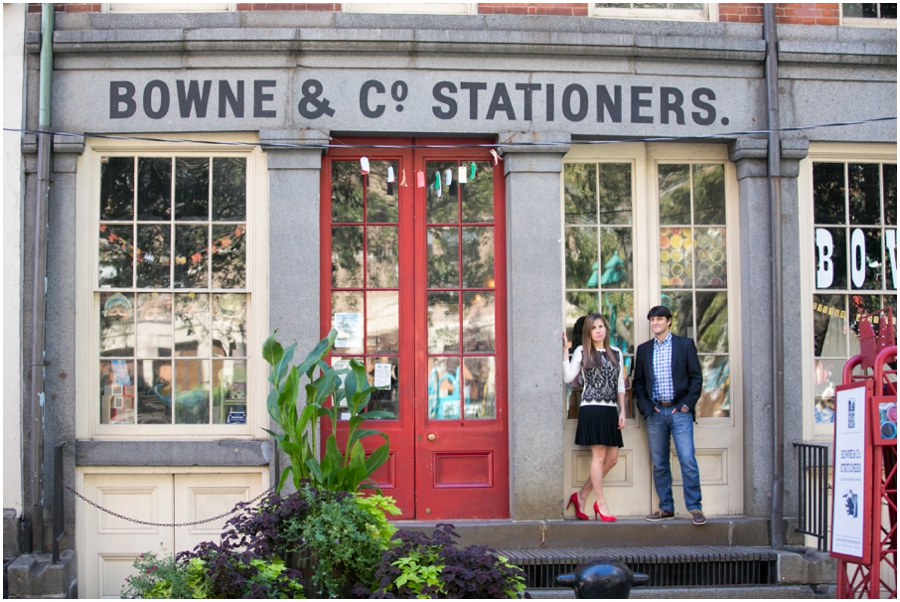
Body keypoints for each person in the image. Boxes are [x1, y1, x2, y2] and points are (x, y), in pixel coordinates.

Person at [632, 305, 706, 525]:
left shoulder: (685, 345)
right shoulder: (644, 350)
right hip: (655, 413)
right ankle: (666, 507)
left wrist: (685, 406)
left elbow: (696, 378)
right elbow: (638, 383)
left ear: (669, 321)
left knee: (687, 460)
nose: (655, 323)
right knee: (660, 463)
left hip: (679, 412)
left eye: (659, 319)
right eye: (652, 320)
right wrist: (647, 408)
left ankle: (695, 507)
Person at [562, 313, 627, 522]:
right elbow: (568, 377)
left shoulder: (616, 352)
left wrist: (623, 411)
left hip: (610, 411)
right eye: (594, 327)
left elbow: (620, 386)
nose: (599, 330)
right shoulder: (582, 351)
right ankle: (601, 505)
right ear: (588, 332)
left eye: (601, 326)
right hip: (591, 408)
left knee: (612, 459)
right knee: (599, 457)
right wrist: (566, 352)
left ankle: (581, 495)